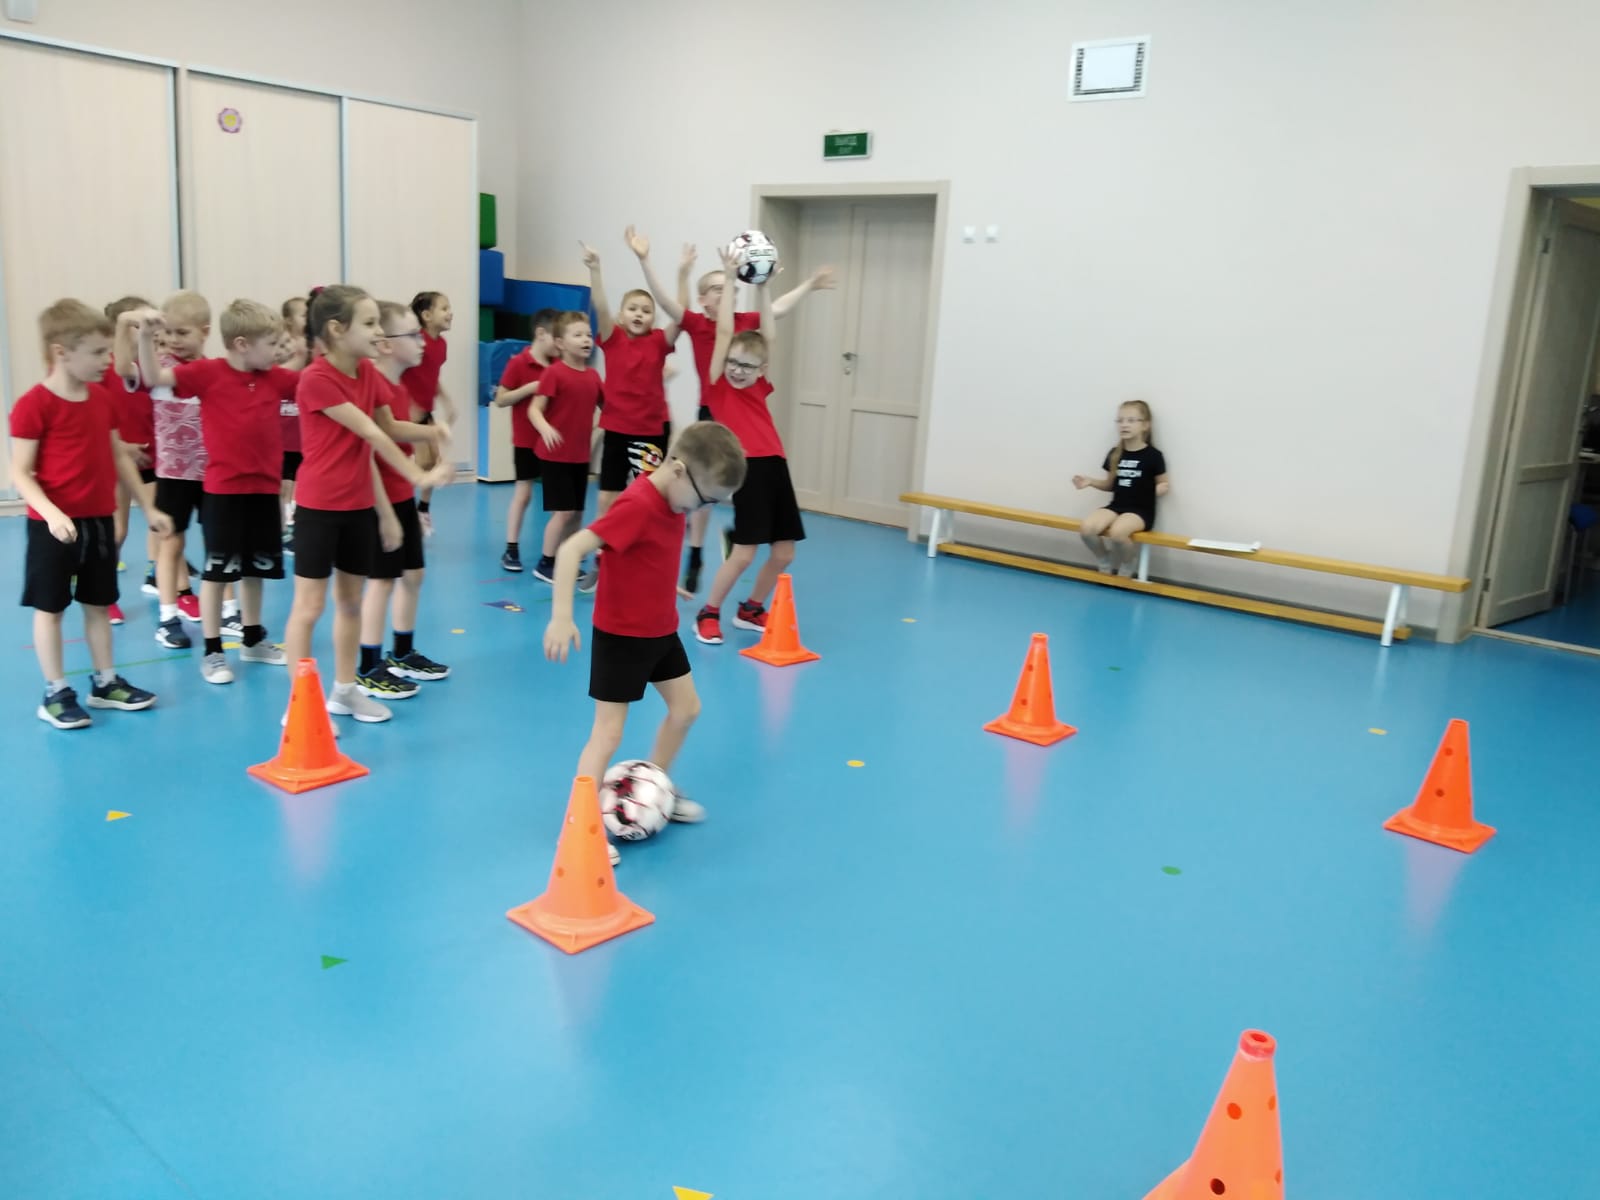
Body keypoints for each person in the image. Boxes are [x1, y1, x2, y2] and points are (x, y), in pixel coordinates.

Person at [544, 421, 747, 865]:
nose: (704, 509)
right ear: (678, 471)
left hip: (659, 629)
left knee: (686, 709)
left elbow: (640, 552)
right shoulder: (637, 504)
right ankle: (578, 829)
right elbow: (573, 549)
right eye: (705, 500)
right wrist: (561, 616)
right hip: (621, 636)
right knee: (608, 734)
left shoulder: (675, 499)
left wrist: (658, 581)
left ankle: (656, 788)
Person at [283, 286, 453, 725]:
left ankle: (345, 691)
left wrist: (432, 432)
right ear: (337, 330)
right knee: (308, 607)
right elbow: (370, 434)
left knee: (351, 603)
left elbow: (389, 426)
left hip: (358, 506)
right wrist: (418, 476)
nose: (379, 332)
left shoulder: (367, 373)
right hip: (320, 507)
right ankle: (300, 705)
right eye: (370, 323)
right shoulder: (316, 379)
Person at [632, 237, 834, 592]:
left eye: (731, 290)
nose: (726, 294)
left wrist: (809, 285)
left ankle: (736, 534)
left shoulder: (744, 321)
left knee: (735, 484)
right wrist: (647, 261)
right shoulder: (697, 323)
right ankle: (696, 553)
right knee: (702, 487)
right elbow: (667, 303)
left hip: (742, 408)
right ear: (703, 298)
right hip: (712, 408)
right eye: (717, 289)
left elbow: (776, 312)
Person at [9, 299, 174, 729]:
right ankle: (55, 692)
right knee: (51, 609)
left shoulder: (102, 398)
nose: (107, 361)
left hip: (98, 520)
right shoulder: (34, 404)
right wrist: (51, 514)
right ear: (61, 352)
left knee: (99, 604)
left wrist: (148, 506)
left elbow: (118, 455)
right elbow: (19, 472)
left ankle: (105, 683)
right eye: (98, 353)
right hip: (54, 527)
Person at [137, 299, 299, 684]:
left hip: (265, 490)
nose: (276, 352)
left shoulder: (275, 378)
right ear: (242, 344)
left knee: (257, 569)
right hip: (224, 491)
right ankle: (212, 651)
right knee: (218, 572)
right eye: (271, 344)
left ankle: (253, 639)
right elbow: (154, 376)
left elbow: (317, 384)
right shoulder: (207, 373)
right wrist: (144, 337)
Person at [694, 252, 806, 645]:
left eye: (747, 366)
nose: (738, 370)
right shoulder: (717, 385)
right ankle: (708, 613)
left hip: (776, 465)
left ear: (761, 370)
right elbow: (725, 331)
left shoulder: (760, 384)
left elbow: (768, 336)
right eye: (733, 362)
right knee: (743, 553)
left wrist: (765, 287)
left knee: (784, 553)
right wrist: (729, 277)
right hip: (748, 469)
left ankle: (751, 608)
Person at [357, 300, 454, 697]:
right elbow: (373, 444)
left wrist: (432, 432)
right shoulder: (371, 387)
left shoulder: (397, 388)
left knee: (413, 575)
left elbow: (394, 428)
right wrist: (385, 512)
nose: (422, 342)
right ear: (385, 344)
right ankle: (368, 666)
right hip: (380, 499)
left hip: (401, 494)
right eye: (413, 335)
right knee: (382, 581)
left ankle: (401, 651)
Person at [143, 290, 212, 648]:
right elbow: (143, 370)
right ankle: (168, 616)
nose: (174, 340)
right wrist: (144, 335)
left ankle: (226, 610)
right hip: (173, 473)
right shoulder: (161, 368)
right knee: (171, 543)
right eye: (168, 332)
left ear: (205, 332)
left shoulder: (213, 371)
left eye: (182, 333)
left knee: (218, 544)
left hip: (212, 473)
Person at [593, 232, 678, 517]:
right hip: (617, 429)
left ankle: (643, 536)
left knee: (648, 493)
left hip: (648, 431)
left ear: (653, 318)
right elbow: (600, 306)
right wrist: (595, 270)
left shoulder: (658, 341)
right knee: (608, 494)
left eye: (646, 310)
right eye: (632, 309)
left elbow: (680, 317)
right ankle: (605, 538)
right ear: (621, 315)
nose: (639, 314)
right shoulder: (613, 338)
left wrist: (647, 260)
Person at [528, 306, 603, 589]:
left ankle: (567, 560)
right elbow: (535, 409)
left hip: (579, 456)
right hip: (555, 456)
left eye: (588, 335)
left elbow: (609, 407)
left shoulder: (593, 377)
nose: (586, 340)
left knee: (576, 513)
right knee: (563, 513)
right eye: (578, 335)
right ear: (560, 343)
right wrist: (545, 427)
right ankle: (545, 563)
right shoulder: (554, 373)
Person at [104, 294, 159, 625]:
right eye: (136, 325)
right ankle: (105, 593)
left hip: (152, 457)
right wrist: (122, 447)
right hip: (117, 458)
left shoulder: (151, 367)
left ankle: (157, 575)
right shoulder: (107, 368)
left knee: (160, 522)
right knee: (118, 530)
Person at [494, 307, 559, 572]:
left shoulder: (559, 365)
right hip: (526, 440)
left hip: (553, 443)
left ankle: (555, 552)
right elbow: (500, 399)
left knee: (558, 499)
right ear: (541, 333)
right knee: (524, 493)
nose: (561, 344)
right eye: (557, 337)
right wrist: (529, 388)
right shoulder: (519, 363)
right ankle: (511, 548)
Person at [1072, 400, 1170, 575]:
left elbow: (1164, 484)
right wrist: (1090, 482)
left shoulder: (1153, 455)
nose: (1124, 425)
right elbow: (1110, 485)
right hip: (1117, 506)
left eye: (1131, 420)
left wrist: (1154, 490)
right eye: (1120, 420)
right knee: (1087, 529)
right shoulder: (1115, 454)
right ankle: (1104, 558)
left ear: (1145, 425)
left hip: (1141, 511)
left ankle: (1128, 561)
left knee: (1118, 532)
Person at [400, 290, 455, 536]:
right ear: (426, 315)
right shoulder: (416, 341)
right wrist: (407, 404)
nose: (450, 313)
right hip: (407, 415)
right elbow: (400, 372)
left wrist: (446, 400)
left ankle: (422, 510)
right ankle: (401, 511)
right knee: (419, 464)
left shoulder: (441, 345)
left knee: (431, 462)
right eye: (444, 308)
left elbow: (432, 376)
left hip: (426, 412)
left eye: (449, 308)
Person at [278, 294, 310, 545]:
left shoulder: (313, 348)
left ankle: (296, 525)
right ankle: (282, 527)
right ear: (289, 320)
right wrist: (296, 355)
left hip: (302, 432)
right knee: (283, 485)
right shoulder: (282, 345)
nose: (308, 319)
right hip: (282, 432)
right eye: (303, 314)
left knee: (301, 483)